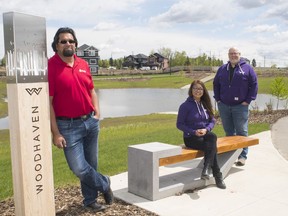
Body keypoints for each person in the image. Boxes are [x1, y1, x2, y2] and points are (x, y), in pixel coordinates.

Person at [48, 27, 113, 212]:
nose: (68, 44)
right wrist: (55, 133)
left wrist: (97, 113)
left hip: (90, 122)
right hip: (67, 126)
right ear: (56, 46)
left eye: (71, 41)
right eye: (63, 41)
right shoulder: (51, 66)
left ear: (75, 44)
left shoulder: (83, 64)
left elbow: (91, 90)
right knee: (79, 168)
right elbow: (49, 103)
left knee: (91, 164)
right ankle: (104, 183)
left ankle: (90, 200)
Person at [176, 80, 226, 189]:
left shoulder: (205, 104)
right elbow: (179, 124)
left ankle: (207, 168)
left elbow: (212, 120)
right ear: (191, 90)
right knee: (212, 147)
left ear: (203, 91)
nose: (198, 91)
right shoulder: (185, 106)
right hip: (191, 137)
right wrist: (194, 131)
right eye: (195, 88)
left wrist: (206, 130)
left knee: (212, 136)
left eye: (200, 89)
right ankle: (217, 176)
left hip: (205, 135)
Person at [213, 47, 258, 166]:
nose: (233, 55)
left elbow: (254, 85)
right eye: (231, 53)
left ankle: (242, 156)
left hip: (240, 106)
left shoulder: (247, 68)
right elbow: (216, 84)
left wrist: (248, 100)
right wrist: (218, 99)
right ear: (228, 55)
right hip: (224, 105)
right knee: (229, 132)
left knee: (241, 132)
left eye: (235, 53)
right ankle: (231, 154)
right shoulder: (223, 69)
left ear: (240, 54)